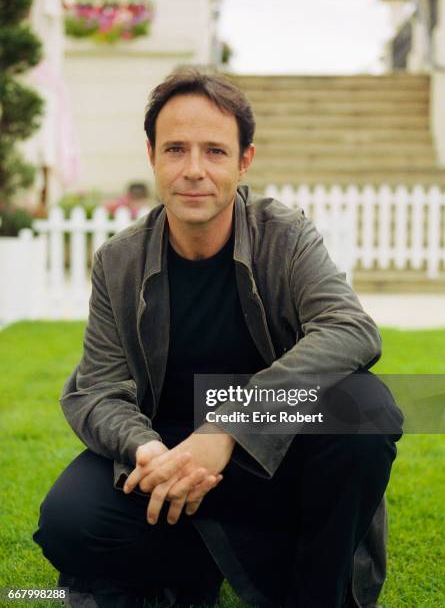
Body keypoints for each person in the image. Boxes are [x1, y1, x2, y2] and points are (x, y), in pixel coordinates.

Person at [33, 68, 403, 608]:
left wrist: (231, 423)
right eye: (176, 149)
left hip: (273, 454)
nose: (193, 171)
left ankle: (314, 591)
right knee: (70, 522)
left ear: (243, 160)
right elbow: (95, 389)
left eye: (214, 151)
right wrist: (148, 449)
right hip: (170, 446)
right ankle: (198, 571)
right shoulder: (118, 260)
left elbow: (351, 330)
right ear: (152, 155)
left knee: (368, 408)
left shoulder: (286, 235)